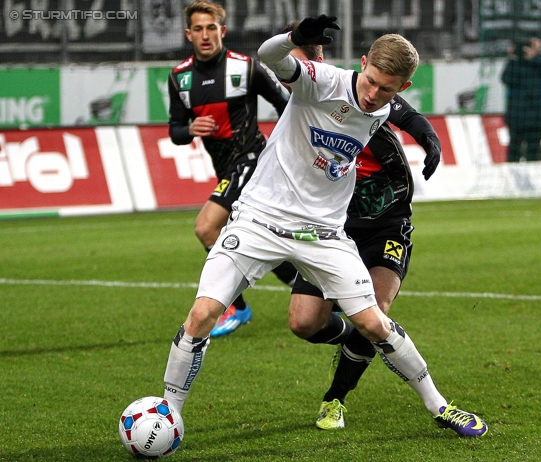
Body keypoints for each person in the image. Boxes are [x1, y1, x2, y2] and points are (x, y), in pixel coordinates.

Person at [161, 15, 488, 439]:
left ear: (400, 89)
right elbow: (269, 57)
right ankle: (168, 413)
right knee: (202, 313)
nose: (373, 95)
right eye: (370, 80)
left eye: (385, 89)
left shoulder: (385, 104)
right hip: (261, 217)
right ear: (363, 62)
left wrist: (427, 137)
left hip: (324, 232)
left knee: (373, 324)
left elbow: (403, 114)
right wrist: (294, 39)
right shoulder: (323, 81)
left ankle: (441, 406)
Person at [282, 32, 483, 436]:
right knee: (303, 323)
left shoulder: (364, 94)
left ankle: (335, 398)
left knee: (376, 308)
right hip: (331, 226)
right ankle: (350, 334)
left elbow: (405, 114)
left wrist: (428, 138)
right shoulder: (298, 100)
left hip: (387, 222)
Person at [168, 1, 297, 337]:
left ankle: (235, 307)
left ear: (222, 31)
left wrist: (283, 149)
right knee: (263, 238)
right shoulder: (180, 77)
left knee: (207, 228)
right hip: (224, 167)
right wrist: (190, 129)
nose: (205, 35)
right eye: (198, 29)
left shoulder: (246, 67)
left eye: (211, 28)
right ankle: (315, 290)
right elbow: (175, 131)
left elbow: (286, 106)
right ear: (189, 34)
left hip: (251, 158)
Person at [501, 36, 541, 162]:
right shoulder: (515, 63)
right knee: (514, 147)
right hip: (517, 113)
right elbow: (506, 79)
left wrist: (534, 57)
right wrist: (513, 58)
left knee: (534, 149)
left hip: (537, 113)